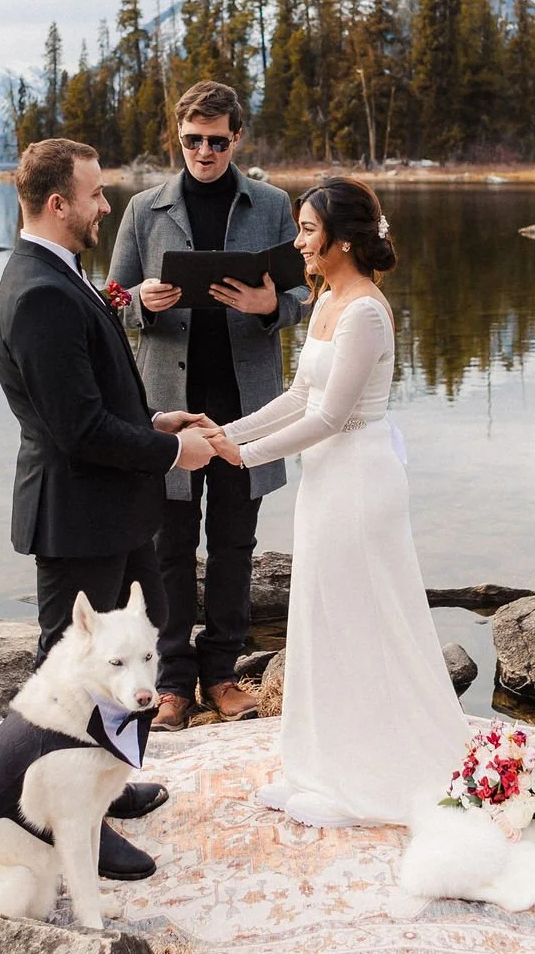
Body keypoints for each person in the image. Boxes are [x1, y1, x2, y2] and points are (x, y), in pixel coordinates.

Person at [206, 178, 467, 828]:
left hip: (359, 480)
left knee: (358, 623)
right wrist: (225, 432)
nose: (297, 240)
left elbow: (328, 416)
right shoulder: (324, 298)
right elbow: (298, 398)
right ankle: (316, 766)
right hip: (325, 482)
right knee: (321, 616)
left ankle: (362, 784)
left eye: (307, 230)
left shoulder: (366, 312)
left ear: (342, 240)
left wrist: (247, 456)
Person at [0, 137, 216, 879]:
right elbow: (76, 429)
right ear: (58, 203)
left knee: (123, 666)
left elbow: (95, 400)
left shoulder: (62, 275)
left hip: (111, 511)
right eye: (94, 194)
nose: (104, 205)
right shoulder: (39, 293)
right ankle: (69, 826)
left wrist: (156, 424)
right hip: (77, 516)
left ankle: (108, 791)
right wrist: (170, 455)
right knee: (68, 683)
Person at [107, 81, 310, 730]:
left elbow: (307, 292)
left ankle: (222, 673)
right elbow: (109, 302)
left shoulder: (273, 204)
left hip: (246, 406)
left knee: (233, 541)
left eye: (217, 140)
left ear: (236, 138)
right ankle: (171, 683)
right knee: (166, 546)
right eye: (193, 140)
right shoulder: (143, 208)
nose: (204, 151)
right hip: (168, 407)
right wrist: (140, 299)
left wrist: (269, 307)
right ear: (179, 136)